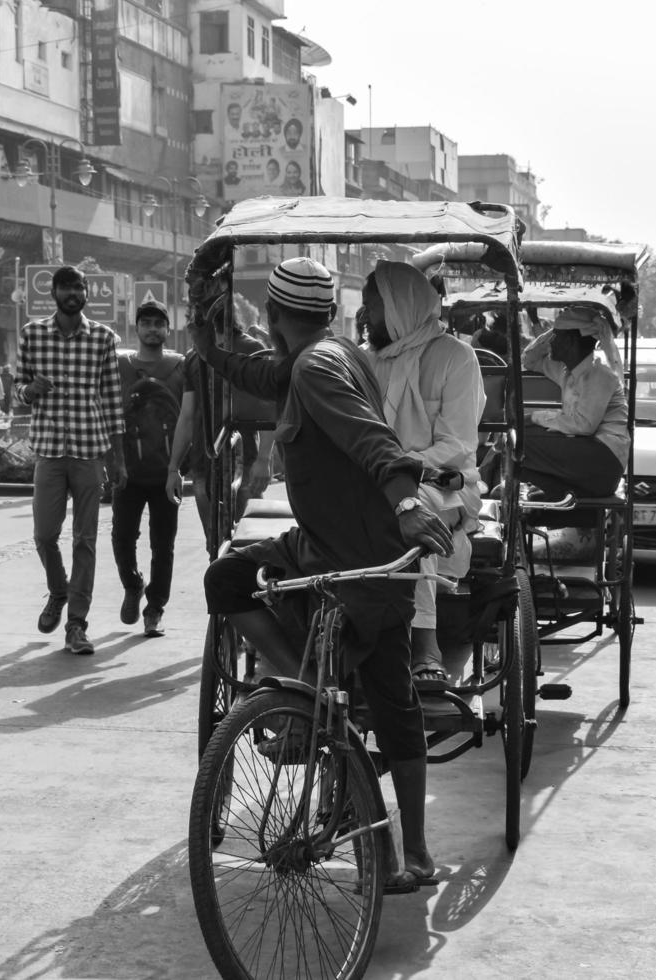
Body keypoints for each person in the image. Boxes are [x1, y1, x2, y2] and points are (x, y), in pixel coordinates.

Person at [193, 256, 454, 888]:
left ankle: (299, 684)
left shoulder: (316, 369)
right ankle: (413, 850)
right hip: (350, 550)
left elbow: (370, 439)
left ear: (274, 315)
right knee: (393, 704)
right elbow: (262, 371)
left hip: (345, 554)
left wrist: (407, 499)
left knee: (224, 581)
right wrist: (211, 350)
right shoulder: (332, 355)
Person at [361, 261, 486, 691]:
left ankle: (425, 645)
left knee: (411, 516)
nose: (365, 318)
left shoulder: (455, 357)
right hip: (375, 481)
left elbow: (457, 445)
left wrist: (400, 470)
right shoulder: (366, 360)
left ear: (399, 308)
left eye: (372, 308)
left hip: (443, 484)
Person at [14, 265, 127, 656]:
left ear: (85, 293)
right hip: (48, 449)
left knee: (85, 539)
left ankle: (77, 624)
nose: (73, 293)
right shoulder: (32, 334)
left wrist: (119, 460)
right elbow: (17, 390)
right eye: (66, 287)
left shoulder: (102, 339)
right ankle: (58, 591)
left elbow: (113, 400)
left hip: (89, 450)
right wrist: (30, 389)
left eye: (79, 287)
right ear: (55, 294)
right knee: (45, 535)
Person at [112, 300, 185, 638]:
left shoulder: (180, 367)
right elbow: (108, 413)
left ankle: (155, 607)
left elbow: (190, 416)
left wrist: (181, 466)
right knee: (122, 537)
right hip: (127, 470)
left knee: (163, 544)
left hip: (167, 472)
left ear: (167, 329)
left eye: (159, 323)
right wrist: (111, 461)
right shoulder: (120, 366)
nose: (153, 329)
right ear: (137, 328)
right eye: (147, 323)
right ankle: (133, 582)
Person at [167, 318, 272, 546]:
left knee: (250, 547)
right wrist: (173, 468)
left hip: (243, 465)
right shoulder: (194, 356)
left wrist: (264, 459)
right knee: (214, 547)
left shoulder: (251, 349)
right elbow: (187, 415)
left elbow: (268, 405)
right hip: (203, 466)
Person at [519, 306, 630, 499]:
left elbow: (583, 425)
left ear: (570, 342)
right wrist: (553, 331)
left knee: (520, 442)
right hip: (586, 454)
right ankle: (555, 493)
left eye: (557, 337)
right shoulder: (565, 370)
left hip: (604, 462)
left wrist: (535, 418)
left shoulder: (599, 373)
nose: (552, 342)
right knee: (516, 438)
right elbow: (529, 359)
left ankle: (556, 491)